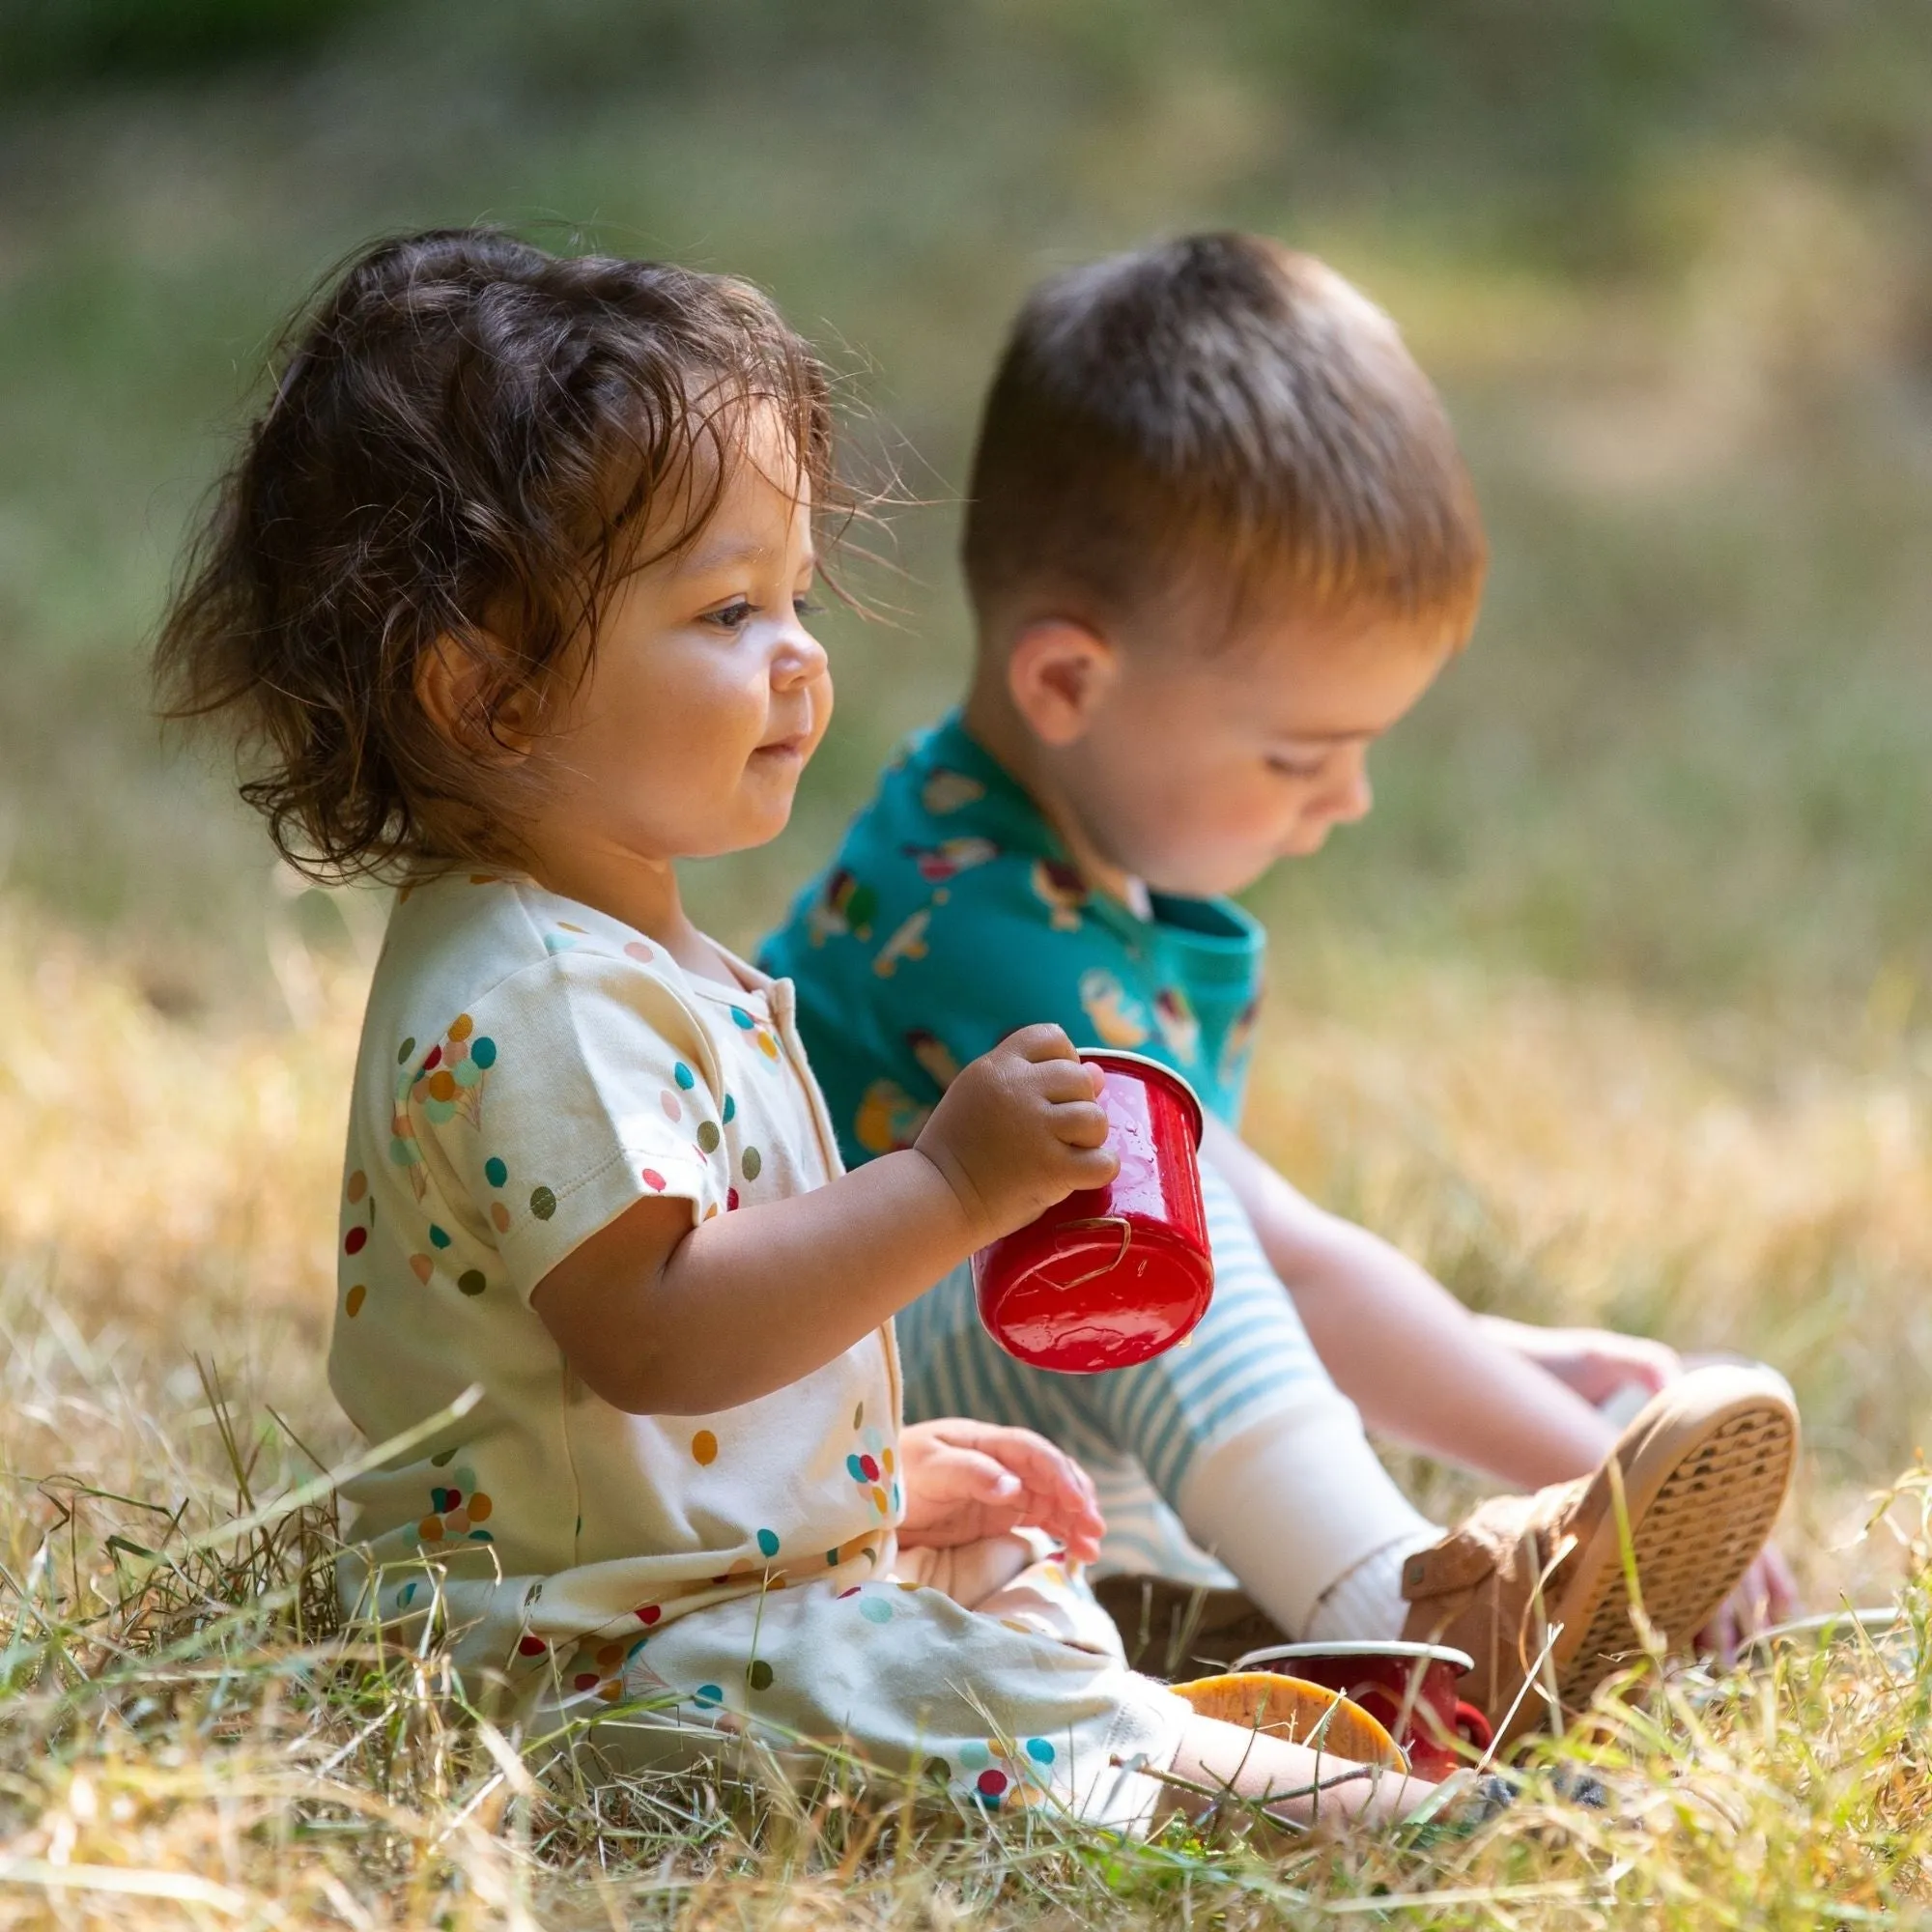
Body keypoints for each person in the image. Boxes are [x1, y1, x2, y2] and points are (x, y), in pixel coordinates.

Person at [153, 225, 1462, 1831]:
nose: (800, 656)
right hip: (589, 1664)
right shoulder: (541, 993)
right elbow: (659, 1337)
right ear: (482, 695)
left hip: (674, 1593)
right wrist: (950, 1193)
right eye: (723, 614)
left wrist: (860, 1488)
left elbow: (665, 1406)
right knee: (983, 1689)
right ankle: (1367, 1817)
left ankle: (1192, 1696)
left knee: (1002, 1576)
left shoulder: (615, 949)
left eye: (794, 595)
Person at [762, 233, 1798, 1738]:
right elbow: (1282, 1262)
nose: (1350, 800)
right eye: (1301, 756)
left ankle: (1245, 1622)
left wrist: (1502, 1360)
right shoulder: (984, 936)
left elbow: (1263, 1301)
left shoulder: (1028, 852)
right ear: (1070, 684)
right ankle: (1418, 1625)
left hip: (975, 1430)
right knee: (1134, 1216)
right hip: (821, 1429)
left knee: (1158, 1237)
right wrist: (1579, 1454)